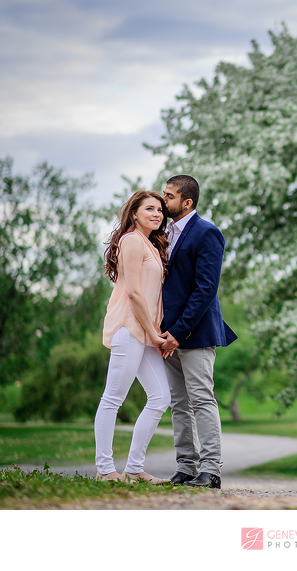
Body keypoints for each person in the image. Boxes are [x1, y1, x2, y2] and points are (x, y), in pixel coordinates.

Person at [159, 175, 237, 489]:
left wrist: (178, 332)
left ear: (187, 202)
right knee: (178, 403)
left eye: (169, 196)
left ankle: (211, 470)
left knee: (202, 399)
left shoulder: (207, 232)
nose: (164, 200)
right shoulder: (163, 233)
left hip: (196, 333)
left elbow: (205, 289)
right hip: (166, 336)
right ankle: (186, 466)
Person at [95, 190, 172, 483]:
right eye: (149, 208)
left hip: (146, 333)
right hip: (129, 329)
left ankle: (134, 469)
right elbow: (134, 293)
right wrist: (154, 333)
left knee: (161, 397)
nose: (157, 214)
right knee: (113, 399)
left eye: (160, 210)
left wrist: (154, 332)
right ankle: (105, 470)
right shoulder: (131, 240)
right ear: (135, 213)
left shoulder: (150, 244)